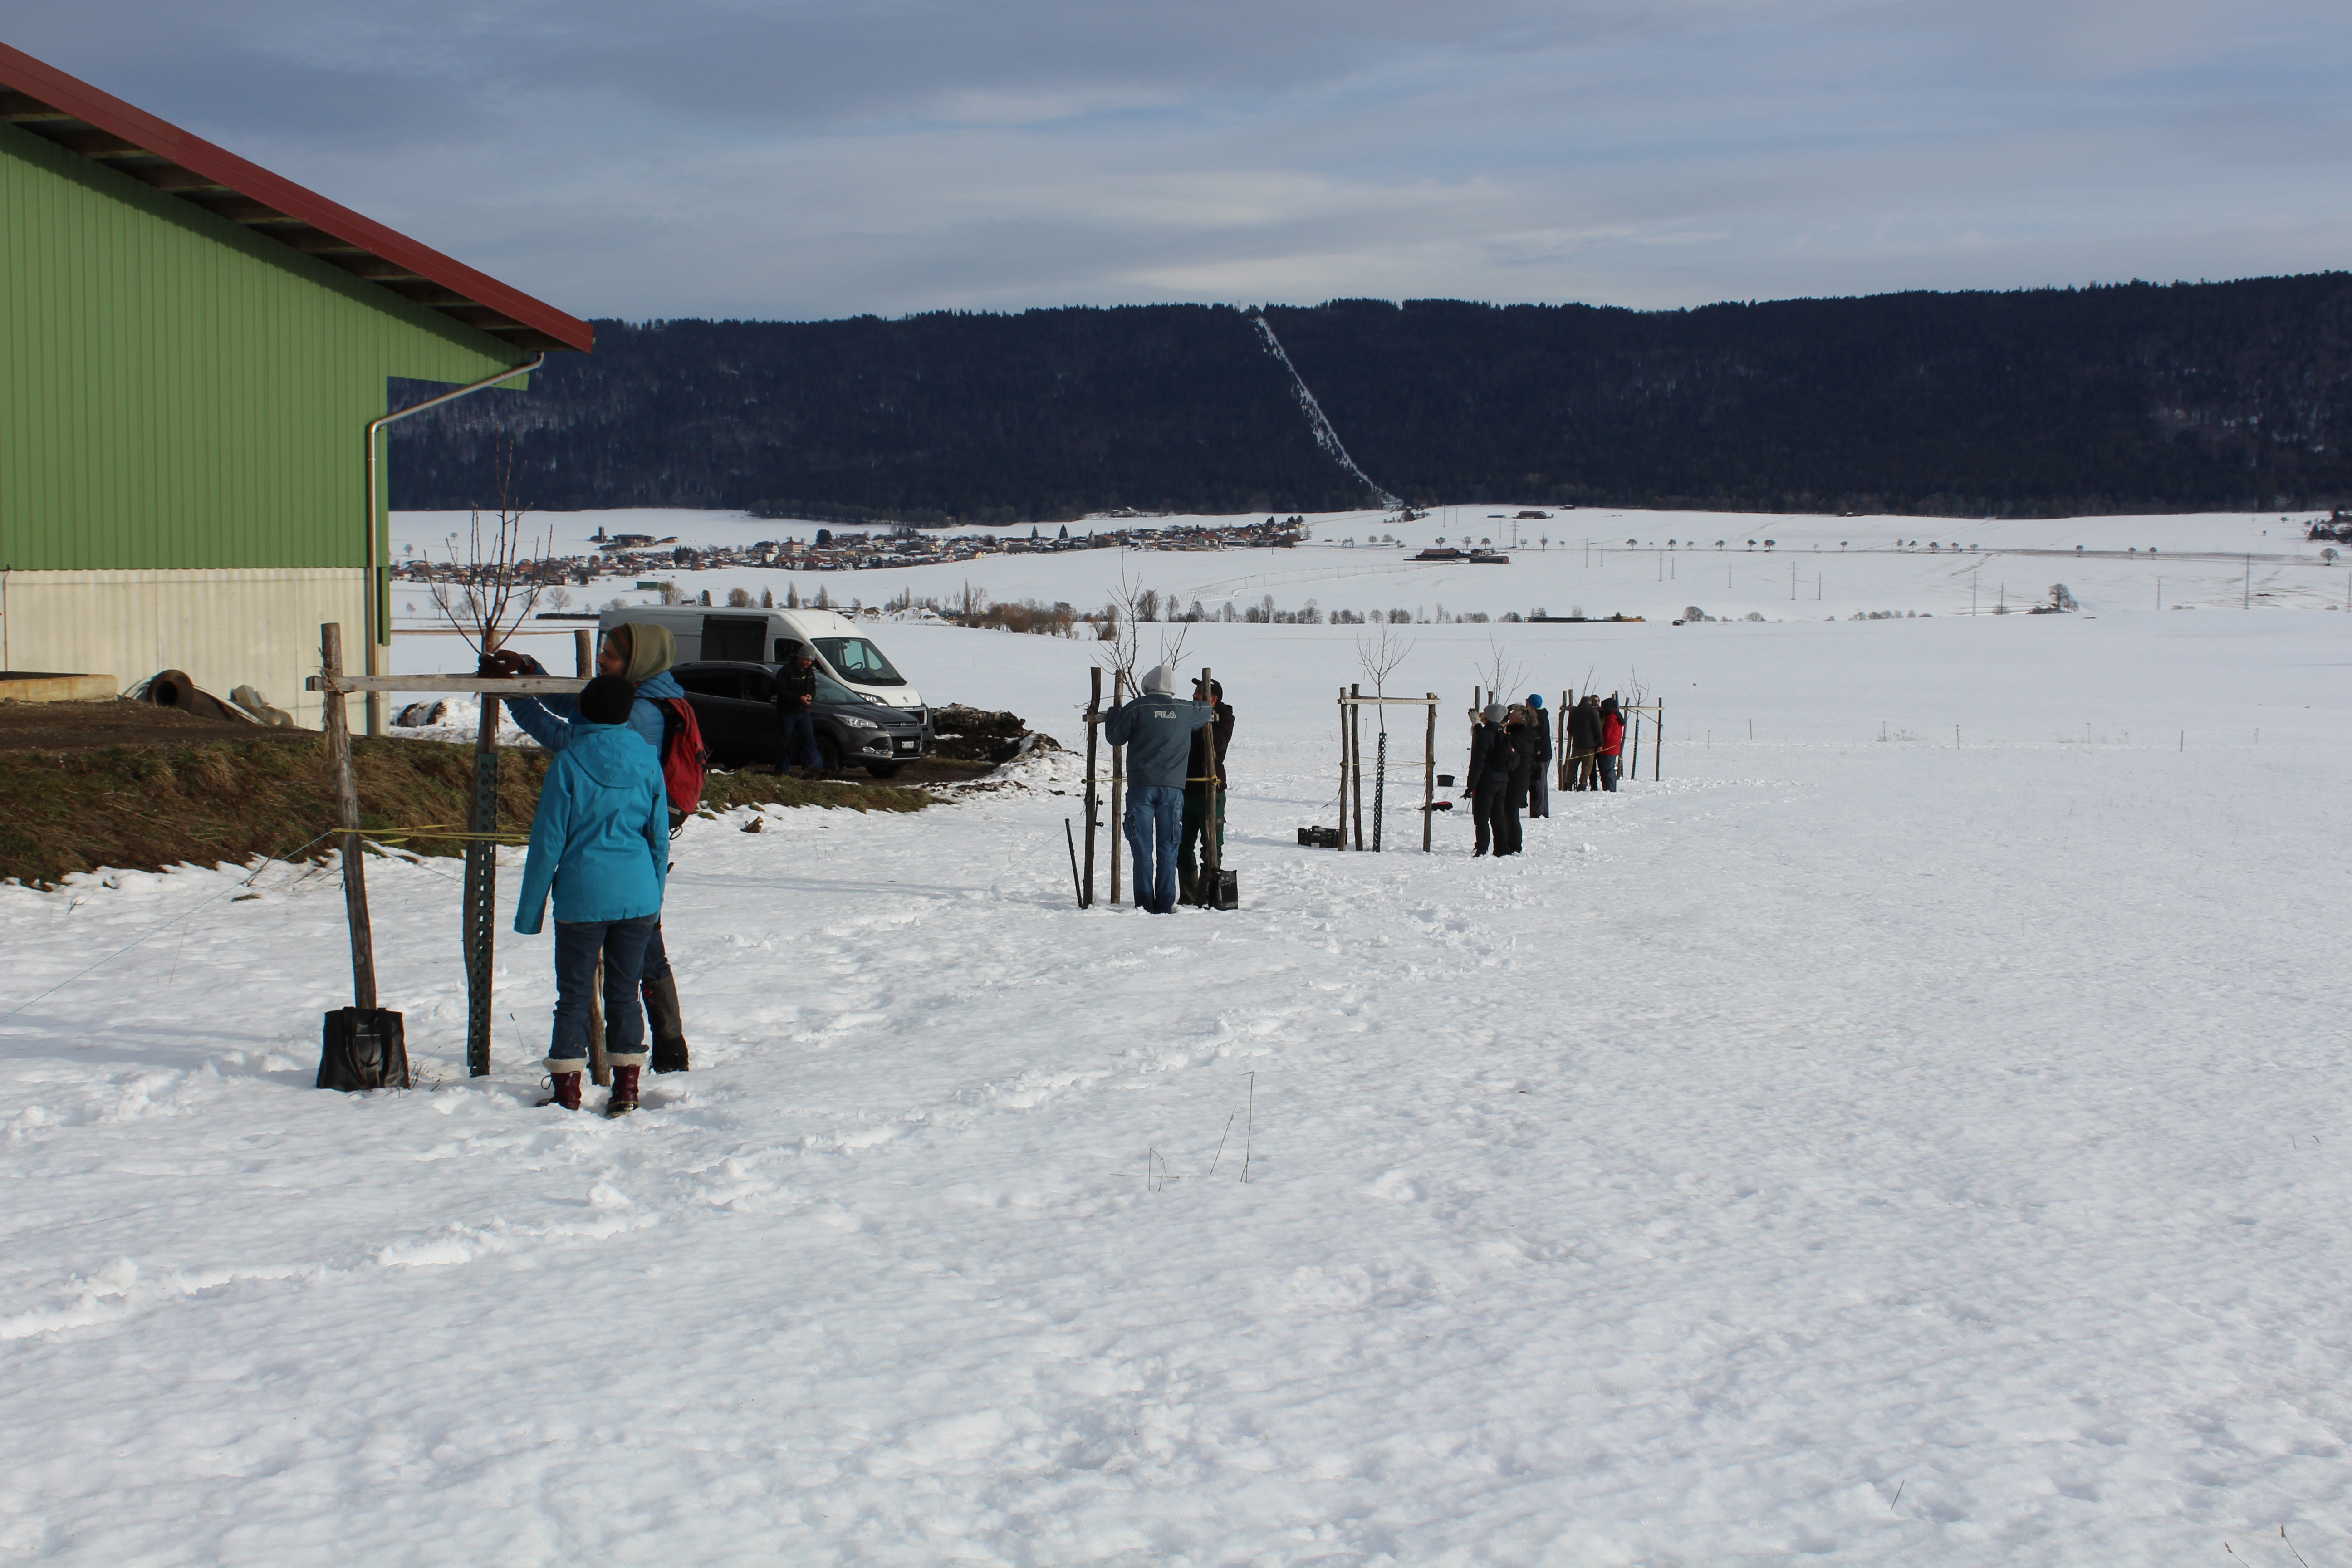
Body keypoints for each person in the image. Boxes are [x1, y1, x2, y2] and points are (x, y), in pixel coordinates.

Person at [490, 623, 696, 1073]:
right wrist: (530, 671)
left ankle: (668, 1046)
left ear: (637, 661)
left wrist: (517, 698)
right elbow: (580, 705)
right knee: (640, 951)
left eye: (612, 657)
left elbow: (572, 739)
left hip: (618, 856)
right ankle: (658, 1053)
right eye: (602, 653)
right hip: (636, 865)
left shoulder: (640, 713)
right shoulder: (638, 692)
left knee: (639, 959)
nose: (602, 661)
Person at [513, 674, 669, 1116]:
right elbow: (658, 839)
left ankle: (568, 1094)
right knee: (624, 992)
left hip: (582, 896)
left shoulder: (569, 762)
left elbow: (547, 843)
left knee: (574, 995)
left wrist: (530, 913)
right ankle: (628, 1090)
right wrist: (654, 897)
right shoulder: (648, 761)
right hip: (638, 894)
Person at [1103, 664, 1216, 914]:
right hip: (1174, 789)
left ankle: (1144, 905)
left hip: (1141, 787)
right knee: (1169, 848)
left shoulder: (1137, 708)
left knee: (1142, 850)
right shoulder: (1187, 710)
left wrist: (1113, 714)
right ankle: (1165, 905)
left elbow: (1115, 738)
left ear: (1147, 685)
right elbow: (1207, 709)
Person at [1178, 677, 1233, 904]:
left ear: (1213, 699)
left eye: (1199, 693)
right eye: (1194, 691)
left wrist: (1199, 724)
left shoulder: (1224, 717)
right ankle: (1189, 896)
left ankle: (1207, 896)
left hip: (1211, 792)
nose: (1193, 696)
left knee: (1211, 848)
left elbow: (1214, 746)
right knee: (1182, 846)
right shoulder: (1187, 714)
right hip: (1185, 790)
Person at [1461, 703, 1518, 856]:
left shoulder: (1485, 736)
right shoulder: (1503, 733)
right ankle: (1501, 849)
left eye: (1485, 712)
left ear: (1490, 716)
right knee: (1498, 816)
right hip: (1502, 782)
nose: (1482, 714)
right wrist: (1477, 726)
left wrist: (1471, 785)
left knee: (1481, 817)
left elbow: (1478, 763)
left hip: (1486, 782)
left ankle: (1481, 849)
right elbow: (1489, 734)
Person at [774, 642, 823, 775]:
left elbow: (813, 688)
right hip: (788, 713)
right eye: (807, 660)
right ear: (800, 657)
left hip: (804, 713)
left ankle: (817, 769)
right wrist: (798, 698)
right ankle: (781, 772)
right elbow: (780, 690)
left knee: (810, 741)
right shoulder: (786, 671)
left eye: (811, 661)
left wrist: (810, 696)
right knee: (785, 743)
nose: (808, 663)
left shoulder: (810, 672)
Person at [1524, 694, 1552, 818]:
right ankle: (1542, 810)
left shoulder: (1538, 718)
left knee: (1538, 784)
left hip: (1540, 755)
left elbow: (1536, 737)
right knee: (1542, 783)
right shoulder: (1543, 716)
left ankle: (1538, 812)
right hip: (1544, 754)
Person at [1567, 693, 1602, 791]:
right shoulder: (1592, 711)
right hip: (1590, 745)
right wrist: (1600, 743)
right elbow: (1597, 728)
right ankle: (1582, 785)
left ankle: (1569, 784)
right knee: (1587, 767)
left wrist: (1576, 736)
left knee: (1573, 765)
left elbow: (1569, 728)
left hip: (1577, 744)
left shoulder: (1574, 711)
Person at [1598, 695, 1626, 792]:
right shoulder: (1618, 716)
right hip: (1615, 747)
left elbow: (1606, 734)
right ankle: (1610, 788)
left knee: (1607, 770)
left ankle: (1610, 789)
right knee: (1610, 769)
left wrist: (1600, 742)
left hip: (1608, 748)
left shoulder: (1611, 718)